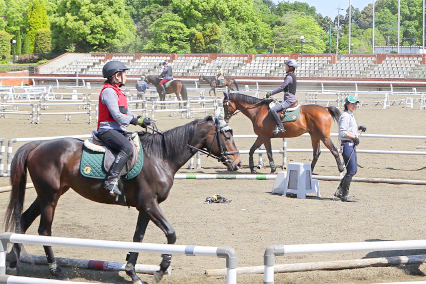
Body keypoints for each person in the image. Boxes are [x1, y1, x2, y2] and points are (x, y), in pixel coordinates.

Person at [97, 61, 151, 196]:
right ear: (116, 76)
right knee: (127, 147)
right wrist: (135, 121)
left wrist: (140, 119)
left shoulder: (117, 91)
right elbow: (117, 116)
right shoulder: (109, 91)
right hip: (107, 130)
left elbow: (126, 113)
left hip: (117, 129)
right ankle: (112, 180)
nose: (126, 76)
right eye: (124, 73)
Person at [334, 95, 366, 202]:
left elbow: (349, 128)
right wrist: (354, 137)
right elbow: (343, 132)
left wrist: (358, 128)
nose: (354, 105)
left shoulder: (350, 115)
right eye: (352, 104)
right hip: (347, 144)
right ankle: (344, 194)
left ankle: (340, 191)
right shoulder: (345, 116)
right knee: (351, 170)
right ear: (347, 104)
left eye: (355, 104)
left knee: (353, 170)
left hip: (350, 144)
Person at [265, 59, 298, 135]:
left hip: (289, 101)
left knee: (273, 110)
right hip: (289, 99)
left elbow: (281, 88)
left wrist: (270, 93)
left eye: (286, 66)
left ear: (290, 67)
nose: (285, 68)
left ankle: (281, 127)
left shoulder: (289, 77)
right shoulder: (292, 76)